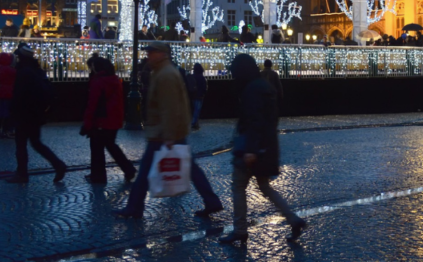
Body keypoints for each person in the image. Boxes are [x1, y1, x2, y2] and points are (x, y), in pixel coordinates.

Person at [113, 42, 223, 219]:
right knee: (189, 168)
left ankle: (134, 207)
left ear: (162, 54)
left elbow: (169, 107)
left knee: (145, 171)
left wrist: (169, 135)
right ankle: (212, 201)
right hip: (168, 131)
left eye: (152, 53)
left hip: (163, 133)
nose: (148, 56)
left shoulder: (165, 75)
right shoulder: (164, 71)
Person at [219, 54, 306, 245]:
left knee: (238, 187)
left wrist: (250, 149)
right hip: (266, 146)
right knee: (265, 187)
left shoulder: (251, 90)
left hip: (252, 148)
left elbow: (254, 121)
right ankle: (293, 219)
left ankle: (240, 230)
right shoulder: (264, 87)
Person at [7, 44, 67, 183]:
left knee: (21, 144)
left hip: (24, 114)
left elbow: (19, 95)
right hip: (36, 114)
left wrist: (13, 112)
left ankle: (22, 174)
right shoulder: (37, 71)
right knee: (36, 143)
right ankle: (58, 165)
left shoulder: (23, 72)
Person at [81, 56, 137, 184]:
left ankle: (98, 175)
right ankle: (128, 169)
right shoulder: (115, 80)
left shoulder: (98, 82)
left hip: (101, 120)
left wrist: (87, 122)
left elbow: (93, 104)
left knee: (97, 148)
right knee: (111, 145)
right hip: (114, 118)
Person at [0, 53, 16, 139]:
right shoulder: (10, 70)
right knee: (7, 111)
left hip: (0, 91)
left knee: (0, 111)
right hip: (9, 92)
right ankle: (5, 130)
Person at [188, 63, 208, 130]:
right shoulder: (201, 77)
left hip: (193, 95)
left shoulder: (192, 76)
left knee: (195, 109)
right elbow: (204, 87)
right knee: (197, 110)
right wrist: (203, 93)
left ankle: (195, 123)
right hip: (199, 96)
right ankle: (194, 123)